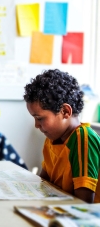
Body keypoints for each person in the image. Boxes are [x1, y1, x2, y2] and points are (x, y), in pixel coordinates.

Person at [24, 69, 100, 203]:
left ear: (65, 111)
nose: (36, 125)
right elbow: (44, 182)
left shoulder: (84, 139)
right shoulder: (51, 139)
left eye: (40, 118)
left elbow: (84, 202)